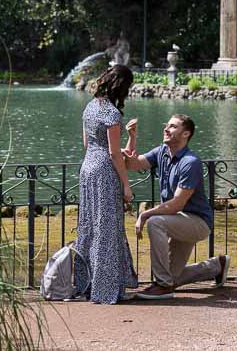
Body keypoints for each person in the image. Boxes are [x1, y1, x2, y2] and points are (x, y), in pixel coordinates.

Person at [124, 114, 230, 300]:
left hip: (196, 222)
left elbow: (177, 203)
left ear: (186, 134)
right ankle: (216, 266)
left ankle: (163, 286)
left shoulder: (190, 162)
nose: (166, 129)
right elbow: (130, 164)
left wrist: (145, 214)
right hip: (177, 219)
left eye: (173, 127)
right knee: (173, 275)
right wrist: (132, 138)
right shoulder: (162, 152)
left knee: (155, 222)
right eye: (167, 125)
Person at [74, 64, 138, 304]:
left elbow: (88, 145)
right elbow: (113, 155)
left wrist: (119, 147)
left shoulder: (90, 107)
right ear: (122, 87)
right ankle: (106, 289)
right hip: (103, 173)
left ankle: (86, 284)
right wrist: (126, 185)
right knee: (107, 229)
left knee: (89, 227)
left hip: (87, 169)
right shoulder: (111, 113)